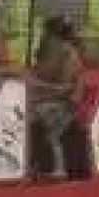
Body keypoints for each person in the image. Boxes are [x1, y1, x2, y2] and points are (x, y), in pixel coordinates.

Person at [31, 17, 82, 178]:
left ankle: (57, 168)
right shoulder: (55, 52)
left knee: (30, 115)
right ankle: (37, 164)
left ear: (53, 35)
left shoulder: (68, 54)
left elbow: (67, 88)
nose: (42, 36)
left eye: (45, 33)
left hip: (67, 106)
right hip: (57, 102)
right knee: (29, 111)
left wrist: (42, 90)